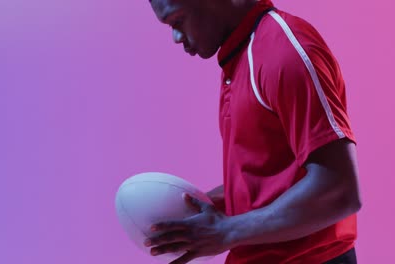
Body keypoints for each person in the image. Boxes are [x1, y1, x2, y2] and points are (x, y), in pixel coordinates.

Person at [143, 0, 363, 263]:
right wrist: (200, 207)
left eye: (177, 21)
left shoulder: (284, 53)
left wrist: (225, 231)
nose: (175, 38)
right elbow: (273, 177)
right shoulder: (241, 53)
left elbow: (340, 189)